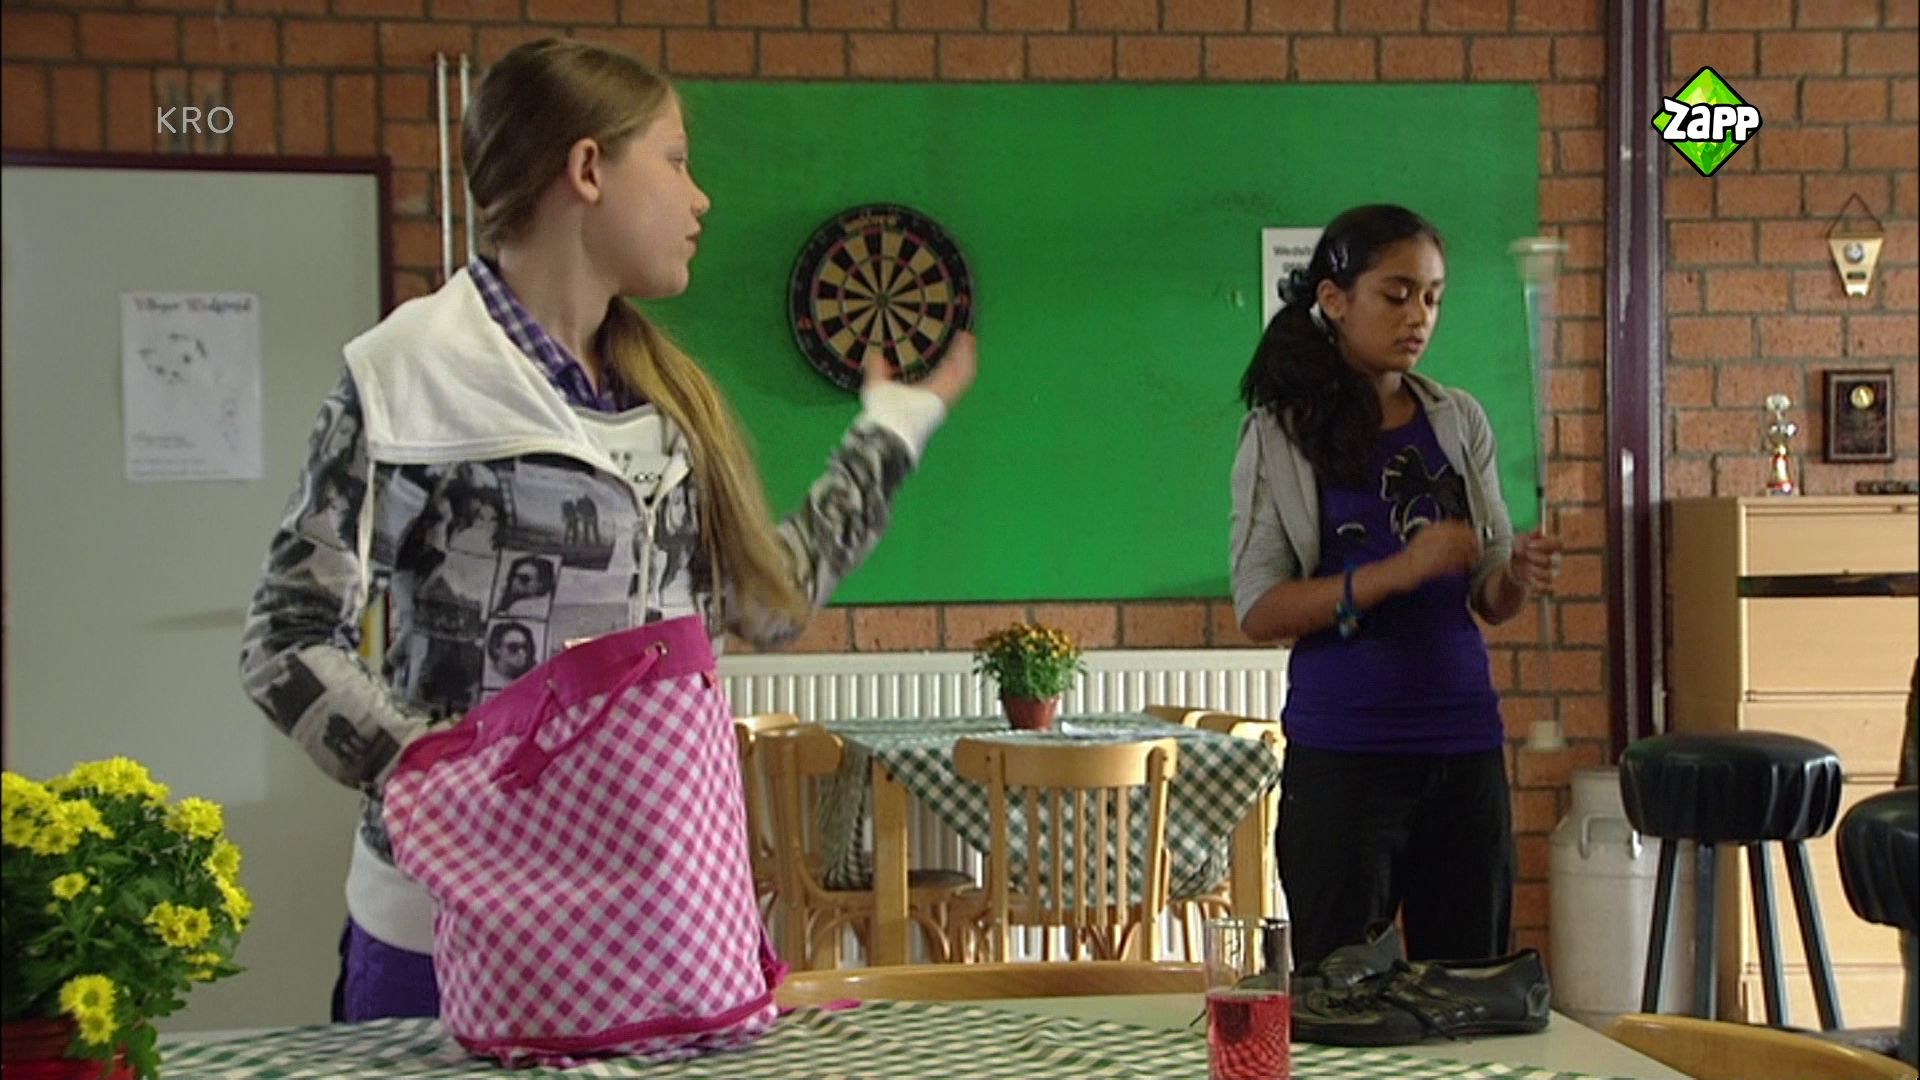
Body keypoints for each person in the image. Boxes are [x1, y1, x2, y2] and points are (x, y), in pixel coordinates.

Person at [238, 37, 977, 1022]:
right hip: (448, 941)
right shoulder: (411, 374)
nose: (699, 198)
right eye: (675, 160)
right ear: (588, 168)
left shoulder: (662, 401)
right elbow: (286, 641)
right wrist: (444, 777)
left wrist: (889, 433)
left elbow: (767, 602)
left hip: (650, 935)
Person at [1229, 205, 1560, 969]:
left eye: (1433, 298)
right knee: (1345, 998)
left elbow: (1489, 595)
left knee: (1468, 991)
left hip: (1463, 746)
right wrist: (1395, 573)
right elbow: (1259, 607)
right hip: (1346, 754)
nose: (1419, 317)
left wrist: (1518, 574)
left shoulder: (1457, 420)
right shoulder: (1278, 435)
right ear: (1335, 299)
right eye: (1397, 294)